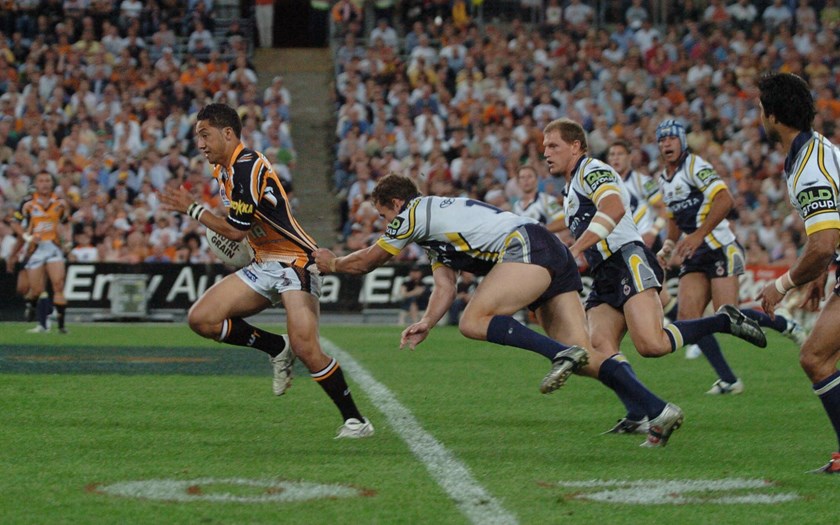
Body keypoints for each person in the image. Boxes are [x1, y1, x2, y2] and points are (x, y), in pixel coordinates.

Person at [544, 118, 766, 444]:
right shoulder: (571, 186)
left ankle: (722, 320)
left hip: (626, 259)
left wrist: (576, 247)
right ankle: (643, 413)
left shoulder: (592, 169)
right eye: (545, 147)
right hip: (605, 272)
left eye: (553, 146)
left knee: (652, 345)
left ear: (575, 146)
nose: (545, 153)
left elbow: (614, 206)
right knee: (597, 349)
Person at [160, 103, 373, 439]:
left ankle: (356, 421)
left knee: (307, 348)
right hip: (263, 262)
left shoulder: (247, 167)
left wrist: (193, 209)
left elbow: (234, 231)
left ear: (227, 133)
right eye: (197, 137)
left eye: (205, 135)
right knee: (201, 318)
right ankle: (276, 347)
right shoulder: (224, 171)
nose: (199, 144)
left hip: (295, 262)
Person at [314, 172, 591, 396]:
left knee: (472, 321)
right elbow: (445, 286)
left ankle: (558, 353)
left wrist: (335, 263)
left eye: (384, 215)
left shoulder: (410, 214)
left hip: (529, 246)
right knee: (586, 354)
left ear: (397, 204)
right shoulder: (433, 224)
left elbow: (367, 261)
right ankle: (636, 406)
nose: (386, 223)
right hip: (545, 245)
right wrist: (427, 321)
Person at [757, 72, 840, 474]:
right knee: (821, 356)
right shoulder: (813, 149)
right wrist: (823, 272)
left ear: (773, 115)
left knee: (816, 356)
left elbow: (822, 243)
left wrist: (783, 283)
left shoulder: (809, 165)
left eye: (760, 108)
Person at [655, 118, 769, 395]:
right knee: (687, 317)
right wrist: (669, 244)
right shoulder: (663, 178)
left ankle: (785, 324)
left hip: (719, 246)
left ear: (682, 141)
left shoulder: (695, 166)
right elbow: (673, 216)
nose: (666, 143)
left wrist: (698, 234)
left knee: (727, 314)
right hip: (695, 251)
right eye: (662, 139)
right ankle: (729, 380)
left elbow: (725, 199)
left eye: (671, 138)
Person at [606, 140, 695, 357]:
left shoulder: (642, 182)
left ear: (629, 157)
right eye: (612, 154)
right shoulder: (606, 183)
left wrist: (654, 231)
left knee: (660, 297)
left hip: (643, 243)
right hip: (621, 247)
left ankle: (694, 336)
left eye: (620, 154)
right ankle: (692, 334)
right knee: (660, 297)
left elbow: (665, 209)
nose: (615, 158)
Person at [6, 172, 70, 333]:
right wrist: (25, 240)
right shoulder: (27, 204)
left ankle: (59, 326)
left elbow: (66, 223)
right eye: (41, 181)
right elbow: (15, 224)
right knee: (34, 289)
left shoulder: (60, 204)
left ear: (52, 183)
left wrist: (67, 241)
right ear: (36, 184)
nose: (45, 184)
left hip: (53, 248)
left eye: (47, 180)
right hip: (34, 250)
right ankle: (32, 305)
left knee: (57, 284)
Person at [512, 164, 566, 233]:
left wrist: (539, 232)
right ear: (518, 182)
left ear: (537, 180)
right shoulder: (516, 206)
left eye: (529, 176)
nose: (526, 180)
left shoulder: (547, 200)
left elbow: (563, 221)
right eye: (522, 177)